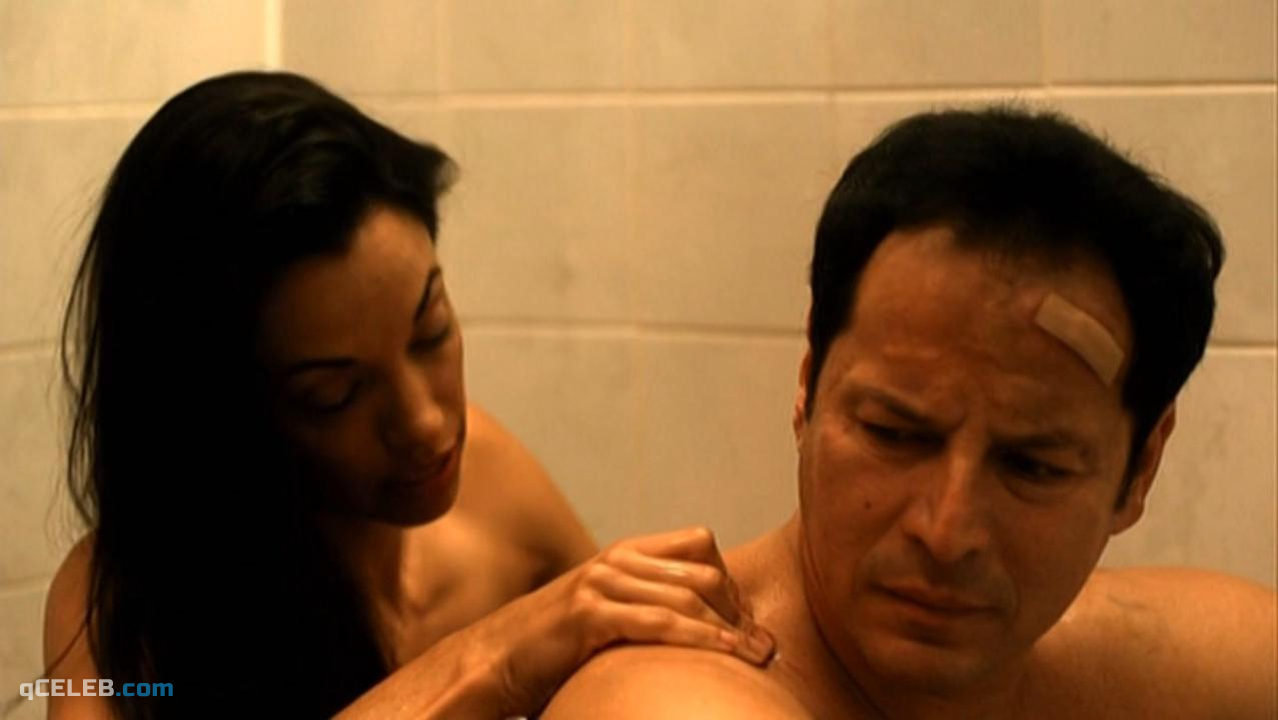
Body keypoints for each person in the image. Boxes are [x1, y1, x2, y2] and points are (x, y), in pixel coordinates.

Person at [40, 71, 775, 719]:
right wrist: (492, 659)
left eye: (431, 330)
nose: (424, 423)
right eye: (334, 395)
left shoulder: (492, 477)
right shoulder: (120, 610)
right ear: (223, 416)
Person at [543, 107, 1278, 718]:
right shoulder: (669, 697)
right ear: (808, 386)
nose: (946, 532)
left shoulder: (1190, 665)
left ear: (1140, 469)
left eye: (1033, 466)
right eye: (894, 434)